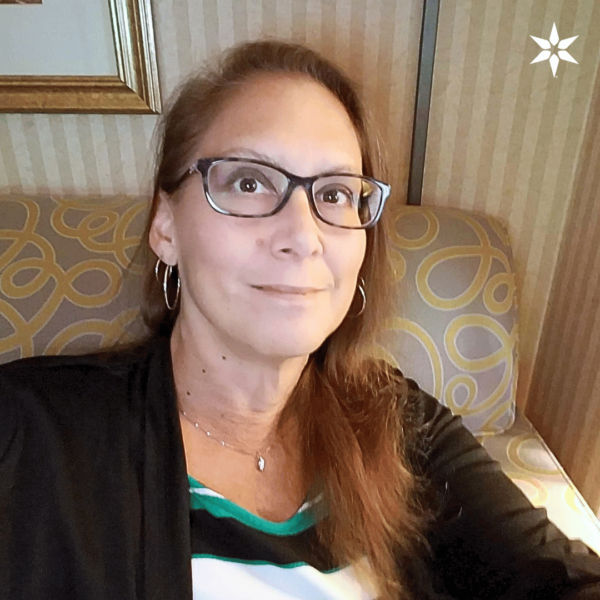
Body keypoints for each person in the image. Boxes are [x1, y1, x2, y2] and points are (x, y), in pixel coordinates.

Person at [1, 40, 600, 600]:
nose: (302, 235)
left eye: (335, 194)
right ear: (165, 226)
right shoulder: (29, 434)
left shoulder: (398, 422)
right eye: (249, 182)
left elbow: (561, 578)